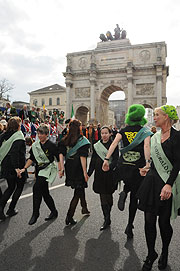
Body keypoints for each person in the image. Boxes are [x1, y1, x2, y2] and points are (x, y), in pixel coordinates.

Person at [137, 105, 180, 271]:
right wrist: (147, 167)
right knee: (148, 221)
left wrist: (169, 184)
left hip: (167, 183)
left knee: (163, 223)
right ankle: (150, 253)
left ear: (166, 117)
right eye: (153, 115)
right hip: (152, 182)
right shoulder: (155, 136)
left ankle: (165, 252)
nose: (154, 118)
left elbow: (177, 164)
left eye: (157, 115)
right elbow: (154, 160)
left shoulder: (177, 137)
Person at [102, 104, 152, 238]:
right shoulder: (145, 131)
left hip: (123, 165)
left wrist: (107, 159)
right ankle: (129, 225)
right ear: (142, 116)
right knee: (134, 199)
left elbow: (113, 144)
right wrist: (148, 163)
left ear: (129, 115)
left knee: (128, 182)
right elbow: (147, 146)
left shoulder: (123, 130)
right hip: (138, 166)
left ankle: (124, 190)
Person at [20, 124, 60, 225]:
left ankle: (35, 214)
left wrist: (61, 169)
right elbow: (32, 158)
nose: (40, 135)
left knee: (36, 188)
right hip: (39, 169)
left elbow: (59, 157)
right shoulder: (35, 145)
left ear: (47, 134)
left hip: (48, 169)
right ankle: (54, 211)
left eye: (42, 133)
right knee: (45, 193)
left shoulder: (51, 145)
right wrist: (24, 168)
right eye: (38, 133)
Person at [59, 119, 90, 225]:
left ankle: (84, 208)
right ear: (79, 128)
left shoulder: (65, 139)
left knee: (80, 188)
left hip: (69, 166)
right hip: (78, 167)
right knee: (77, 192)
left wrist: (61, 168)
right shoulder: (82, 140)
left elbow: (61, 154)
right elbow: (83, 157)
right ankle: (69, 216)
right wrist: (85, 172)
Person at [88, 126, 119, 230]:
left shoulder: (114, 145)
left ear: (110, 134)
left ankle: (108, 214)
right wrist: (89, 173)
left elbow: (116, 159)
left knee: (109, 196)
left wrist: (110, 167)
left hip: (109, 174)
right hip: (99, 173)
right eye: (102, 133)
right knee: (102, 196)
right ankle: (106, 218)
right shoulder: (97, 145)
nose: (104, 135)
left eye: (106, 133)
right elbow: (93, 160)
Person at [0, 117, 26, 220]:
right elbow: (15, 153)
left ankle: (1, 209)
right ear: (19, 126)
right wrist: (17, 168)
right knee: (19, 187)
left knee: (10, 187)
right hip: (16, 166)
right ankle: (11, 209)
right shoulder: (18, 136)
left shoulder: (3, 135)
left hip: (5, 165)